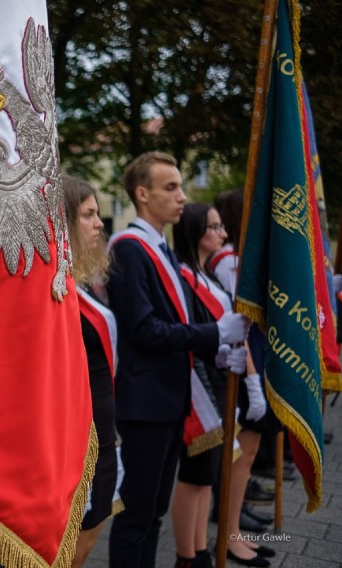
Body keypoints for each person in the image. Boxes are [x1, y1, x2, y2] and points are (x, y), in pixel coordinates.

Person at [106, 152, 249, 568]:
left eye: (181, 186)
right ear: (142, 193)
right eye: (171, 188)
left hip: (168, 398)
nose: (182, 196)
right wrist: (215, 333)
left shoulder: (160, 249)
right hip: (146, 402)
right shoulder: (130, 249)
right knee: (136, 515)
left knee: (154, 512)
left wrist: (216, 349)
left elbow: (175, 321)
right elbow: (145, 330)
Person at [171, 203, 247, 568]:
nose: (223, 233)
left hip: (217, 380)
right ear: (194, 231)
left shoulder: (208, 274)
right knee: (195, 474)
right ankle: (188, 555)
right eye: (214, 227)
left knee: (207, 477)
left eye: (221, 226)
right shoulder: (184, 276)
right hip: (198, 385)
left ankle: (200, 548)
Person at [211, 190, 275, 566]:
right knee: (238, 453)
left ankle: (235, 529)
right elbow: (239, 324)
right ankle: (229, 533)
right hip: (243, 361)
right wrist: (252, 380)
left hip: (257, 356)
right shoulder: (228, 262)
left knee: (248, 453)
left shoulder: (240, 259)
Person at [64, 177, 122, 568]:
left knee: (84, 546)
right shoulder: (51, 292)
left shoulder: (78, 284)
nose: (99, 223)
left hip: (101, 439)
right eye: (88, 214)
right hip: (77, 449)